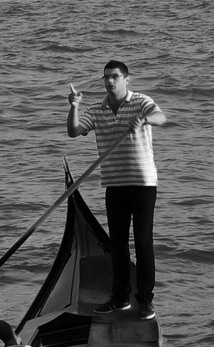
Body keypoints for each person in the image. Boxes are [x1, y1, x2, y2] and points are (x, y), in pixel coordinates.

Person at [67, 60, 167, 317]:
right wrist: (74, 107)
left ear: (126, 79)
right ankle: (120, 298)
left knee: (143, 243)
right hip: (114, 184)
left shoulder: (141, 101)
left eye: (115, 77)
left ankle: (145, 300)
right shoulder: (97, 109)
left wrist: (144, 119)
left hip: (143, 184)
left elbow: (161, 117)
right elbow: (74, 131)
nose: (110, 81)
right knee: (118, 245)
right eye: (106, 77)